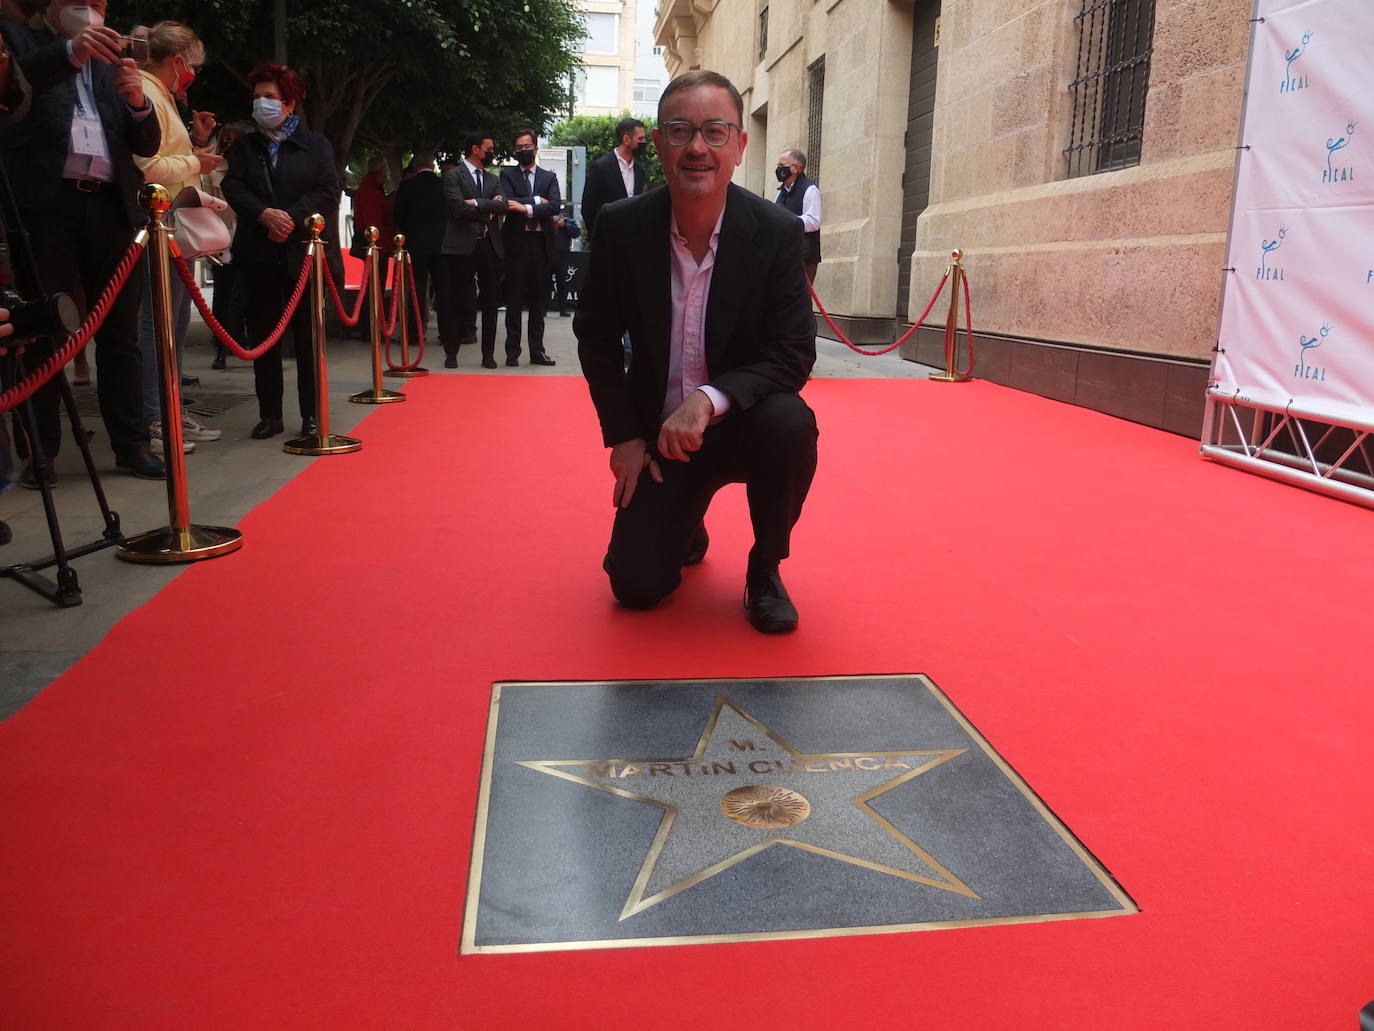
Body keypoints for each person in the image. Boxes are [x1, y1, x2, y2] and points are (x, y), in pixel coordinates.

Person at [575, 71, 818, 634]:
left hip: (743, 423)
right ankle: (687, 524)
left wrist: (710, 400)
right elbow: (596, 335)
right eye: (680, 131)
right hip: (662, 437)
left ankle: (765, 569)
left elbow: (793, 352)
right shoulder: (623, 226)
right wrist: (626, 436)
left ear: (740, 144)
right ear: (657, 143)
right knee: (635, 588)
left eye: (715, 131)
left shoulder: (777, 232)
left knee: (791, 422)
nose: (698, 148)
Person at [2, 0, 165, 482]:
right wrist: (69, 53)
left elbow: (147, 144)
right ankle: (41, 451)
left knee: (121, 331)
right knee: (43, 330)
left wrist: (138, 103)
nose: (91, 11)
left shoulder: (109, 60)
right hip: (46, 205)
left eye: (99, 3)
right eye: (80, 2)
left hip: (109, 206)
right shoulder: (20, 42)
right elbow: (13, 98)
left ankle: (131, 444)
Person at [220, 61, 339, 440]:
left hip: (300, 252)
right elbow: (233, 187)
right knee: (264, 334)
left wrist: (289, 218)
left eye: (269, 97)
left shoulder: (316, 145)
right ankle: (270, 412)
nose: (261, 104)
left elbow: (327, 191)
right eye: (257, 98)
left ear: (288, 103)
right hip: (258, 253)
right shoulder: (245, 145)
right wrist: (264, 215)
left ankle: (311, 414)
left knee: (307, 337)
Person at [131, 20, 222, 456]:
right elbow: (149, 166)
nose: (194, 75)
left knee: (175, 325)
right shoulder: (148, 91)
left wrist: (194, 149)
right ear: (179, 60)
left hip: (170, 223)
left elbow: (169, 157)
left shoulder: (160, 94)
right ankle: (153, 417)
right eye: (194, 66)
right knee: (157, 326)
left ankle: (166, 409)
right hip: (156, 221)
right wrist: (195, 163)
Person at [440, 133, 504, 369]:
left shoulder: (493, 178)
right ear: (476, 149)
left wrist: (474, 203)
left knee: (491, 302)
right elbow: (456, 207)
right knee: (457, 299)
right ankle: (451, 353)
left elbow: (502, 205)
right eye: (489, 148)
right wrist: (488, 208)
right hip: (461, 247)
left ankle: (488, 355)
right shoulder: (453, 175)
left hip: (489, 245)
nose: (492, 152)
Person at [498, 129, 559, 367]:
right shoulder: (507, 175)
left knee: (538, 301)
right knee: (513, 300)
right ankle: (512, 352)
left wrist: (524, 206)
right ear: (515, 151)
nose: (524, 151)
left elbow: (554, 205)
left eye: (527, 146)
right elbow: (505, 202)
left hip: (541, 245)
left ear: (535, 148)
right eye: (519, 147)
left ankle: (537, 351)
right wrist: (535, 201)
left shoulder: (548, 177)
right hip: (516, 245)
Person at [203, 119, 249, 370]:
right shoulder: (213, 171)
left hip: (248, 237)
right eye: (225, 141)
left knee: (247, 295)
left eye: (235, 141)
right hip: (222, 238)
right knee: (223, 295)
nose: (229, 146)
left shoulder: (251, 168)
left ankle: (243, 339)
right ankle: (220, 346)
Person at [391, 147, 447, 351]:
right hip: (441, 245)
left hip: (416, 244)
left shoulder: (407, 187)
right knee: (443, 290)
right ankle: (446, 332)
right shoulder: (444, 186)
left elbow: (398, 216)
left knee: (416, 289)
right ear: (433, 165)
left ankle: (414, 333)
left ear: (414, 166)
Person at [581, 116, 646, 244]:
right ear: (626, 139)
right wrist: (598, 237)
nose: (644, 142)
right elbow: (588, 208)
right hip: (606, 242)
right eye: (640, 139)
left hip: (633, 243)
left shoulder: (640, 171)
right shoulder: (601, 167)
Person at [348, 153, 395, 315]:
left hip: (376, 245)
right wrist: (381, 248)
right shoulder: (371, 192)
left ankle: (370, 325)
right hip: (375, 247)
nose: (387, 177)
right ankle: (370, 325)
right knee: (374, 287)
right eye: (385, 173)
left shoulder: (369, 189)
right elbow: (373, 224)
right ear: (380, 172)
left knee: (373, 286)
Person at [774, 147, 821, 283]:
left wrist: (787, 222)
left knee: (799, 300)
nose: (778, 169)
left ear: (795, 168)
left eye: (781, 166)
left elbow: (813, 221)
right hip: (783, 254)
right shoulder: (781, 192)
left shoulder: (810, 189)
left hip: (803, 257)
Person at [550, 203, 580, 317]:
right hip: (548, 256)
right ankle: (543, 309)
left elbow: (576, 233)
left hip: (561, 256)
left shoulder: (568, 222)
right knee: (545, 284)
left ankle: (562, 309)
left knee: (562, 284)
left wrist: (563, 225)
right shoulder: (547, 221)